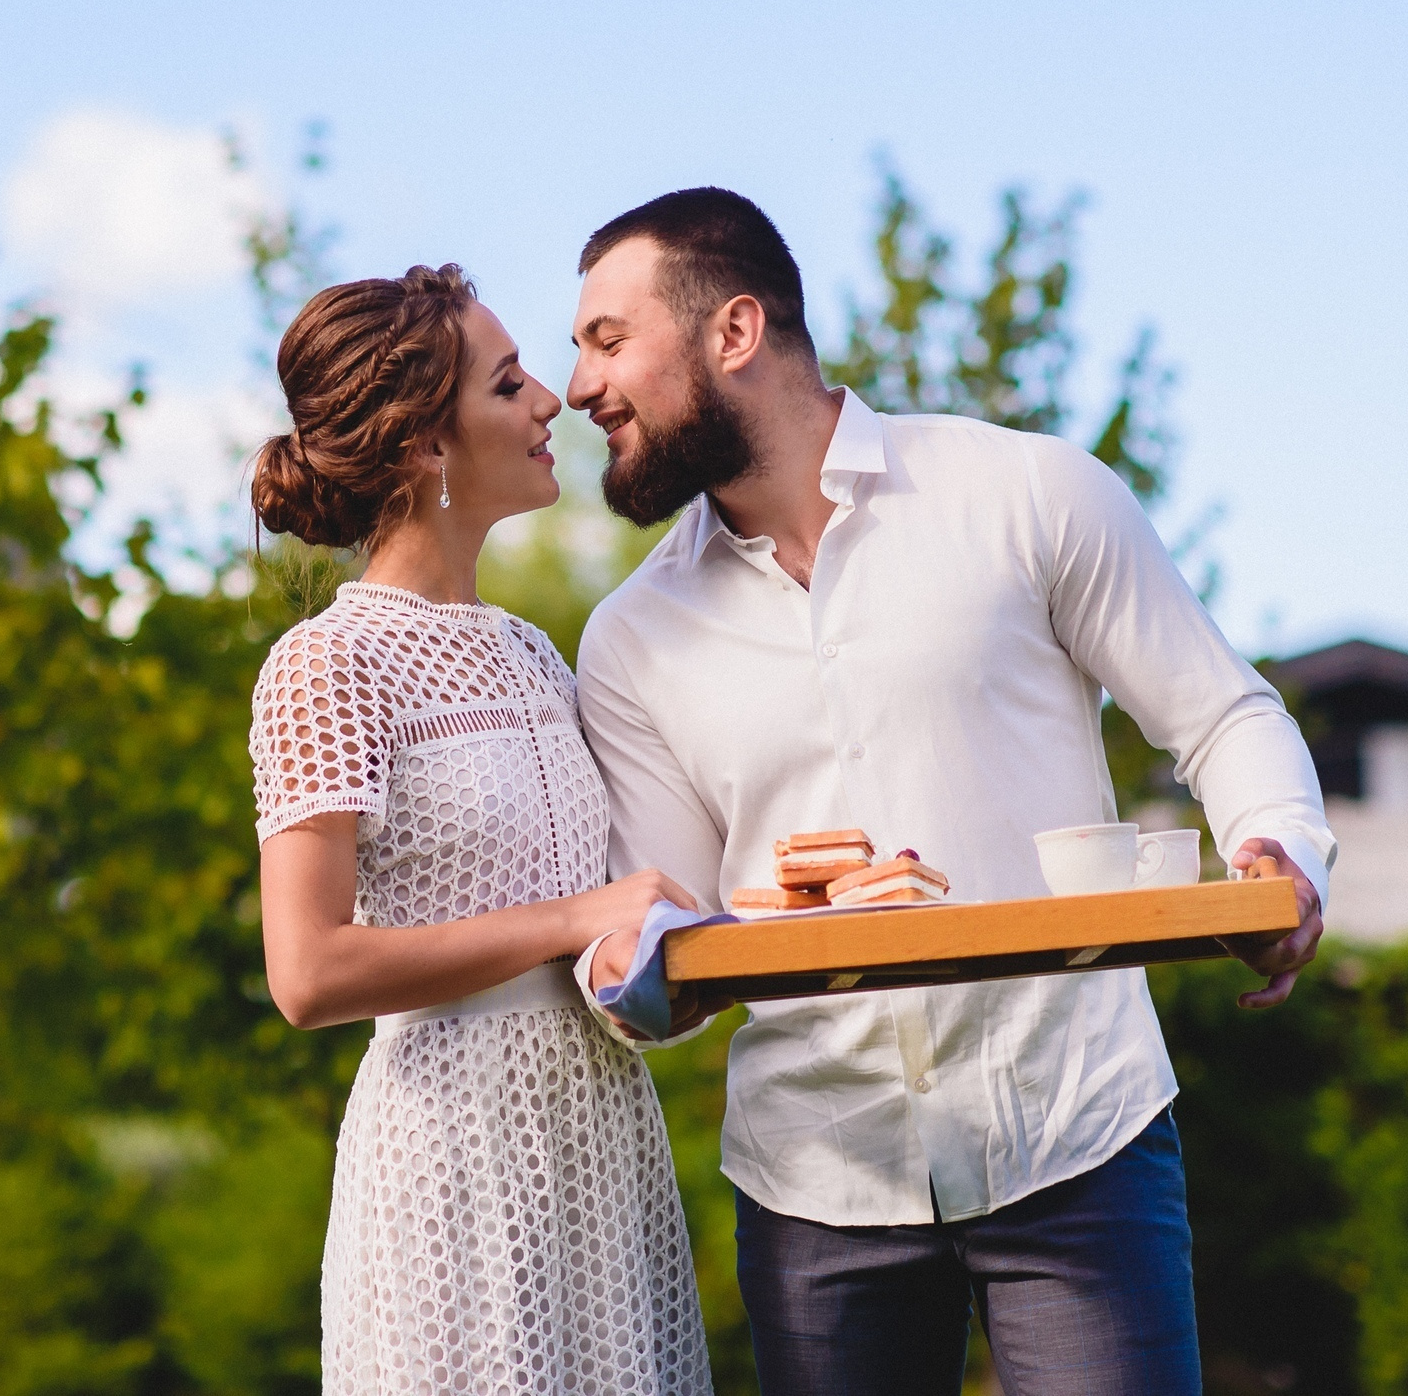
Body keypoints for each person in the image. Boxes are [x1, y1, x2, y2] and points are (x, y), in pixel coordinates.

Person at [561, 190, 1336, 1396]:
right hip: (819, 1182)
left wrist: (1280, 851)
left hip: (1079, 1134)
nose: (576, 386)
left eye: (607, 339)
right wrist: (627, 975)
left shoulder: (1027, 494)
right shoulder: (629, 641)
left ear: (733, 329)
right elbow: (657, 927)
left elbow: (1222, 713)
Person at [246, 263, 716, 1396]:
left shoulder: (533, 655)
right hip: (450, 1161)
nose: (551, 398)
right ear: (422, 446)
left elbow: (608, 915)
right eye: (508, 384)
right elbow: (307, 971)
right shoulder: (327, 664)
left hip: (598, 1146)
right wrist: (569, 919)